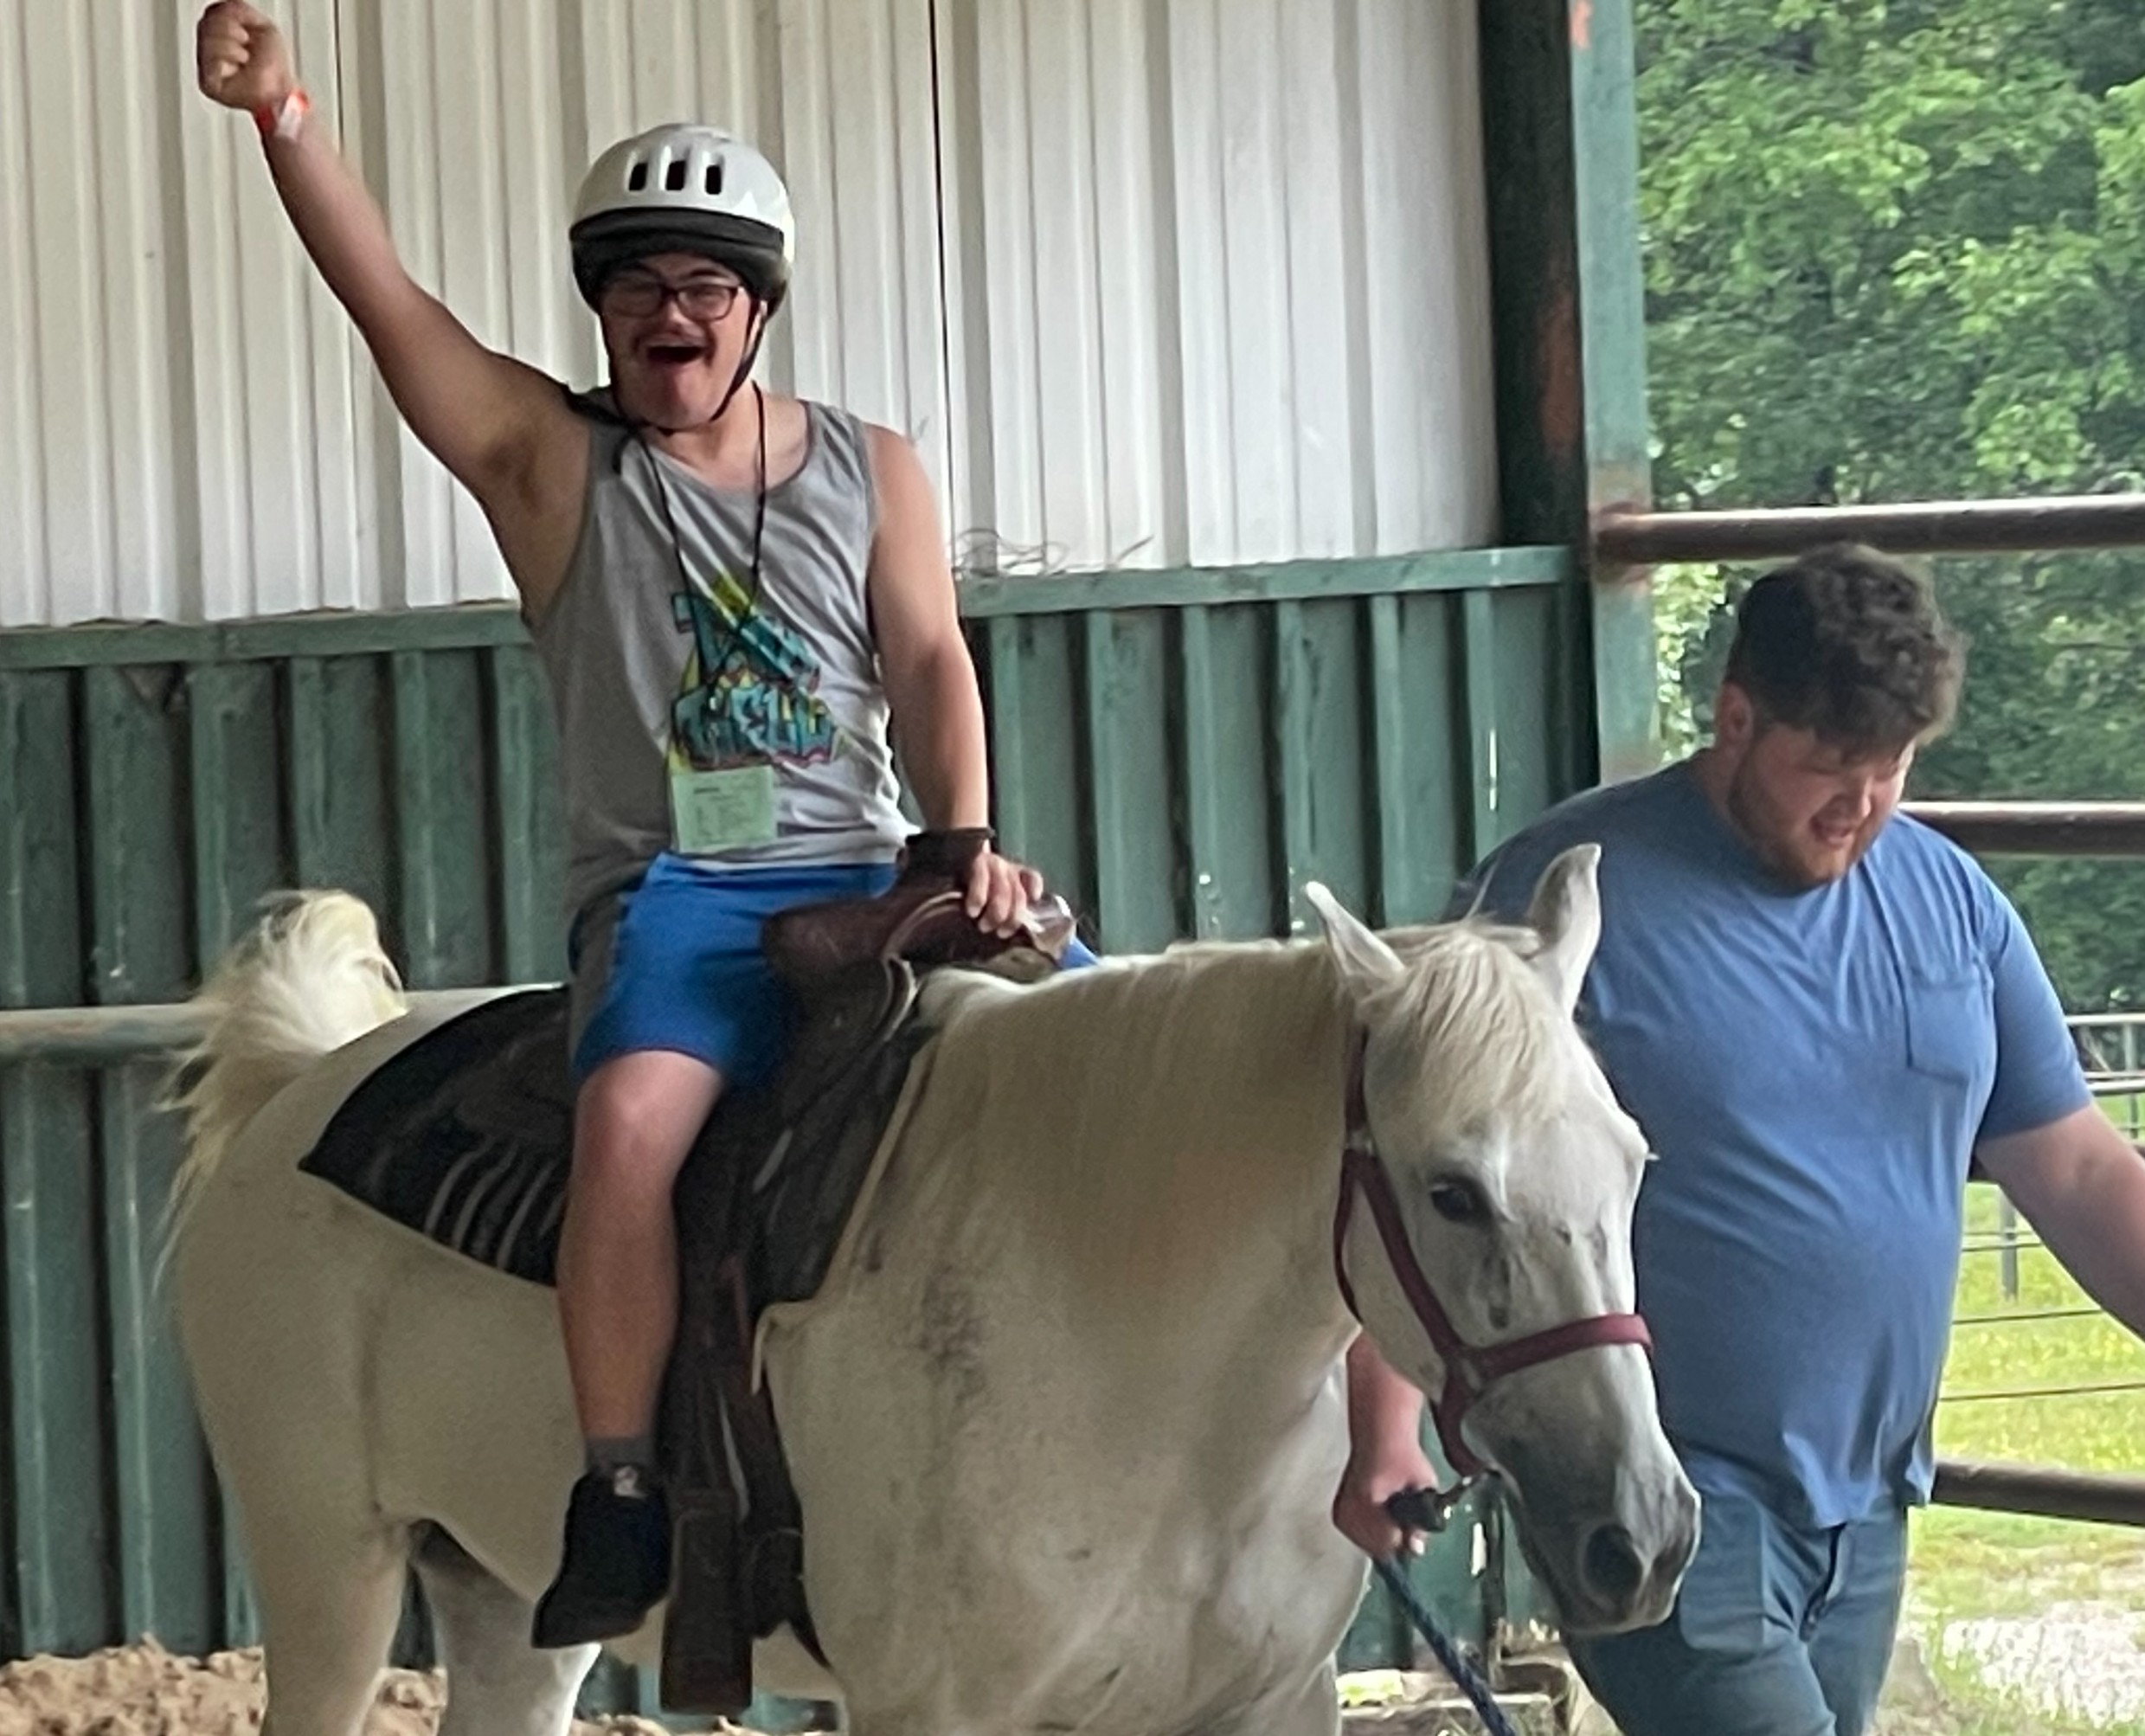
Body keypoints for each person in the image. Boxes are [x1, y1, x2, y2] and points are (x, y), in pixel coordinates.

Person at [194, 0, 1089, 1649]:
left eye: (701, 287)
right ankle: (618, 1482)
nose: (664, 316)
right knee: (627, 1133)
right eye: (633, 286)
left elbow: (931, 662)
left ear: (757, 311)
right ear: (599, 310)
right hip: (681, 901)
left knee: (1115, 1047)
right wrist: (285, 120)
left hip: (874, 872)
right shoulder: (552, 467)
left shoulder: (873, 467)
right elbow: (389, 304)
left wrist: (963, 848)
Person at [1335, 543, 2145, 1735]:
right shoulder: (1566, 902)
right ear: (1733, 718)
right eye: (1828, 766)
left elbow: (2074, 1164)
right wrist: (1382, 1425)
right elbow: (1421, 1164)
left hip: (1867, 1502)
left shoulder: (1951, 906)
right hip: (1661, 1481)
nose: (1862, 804)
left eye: (1893, 768)